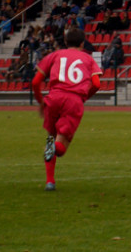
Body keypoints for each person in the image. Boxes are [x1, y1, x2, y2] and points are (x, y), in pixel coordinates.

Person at [31, 27, 102, 191]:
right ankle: (53, 149)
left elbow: (35, 82)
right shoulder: (88, 58)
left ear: (65, 42)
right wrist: (84, 97)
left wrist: (41, 102)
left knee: (51, 137)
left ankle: (50, 181)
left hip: (53, 97)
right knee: (61, 147)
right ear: (82, 43)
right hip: (73, 100)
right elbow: (97, 84)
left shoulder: (54, 55)